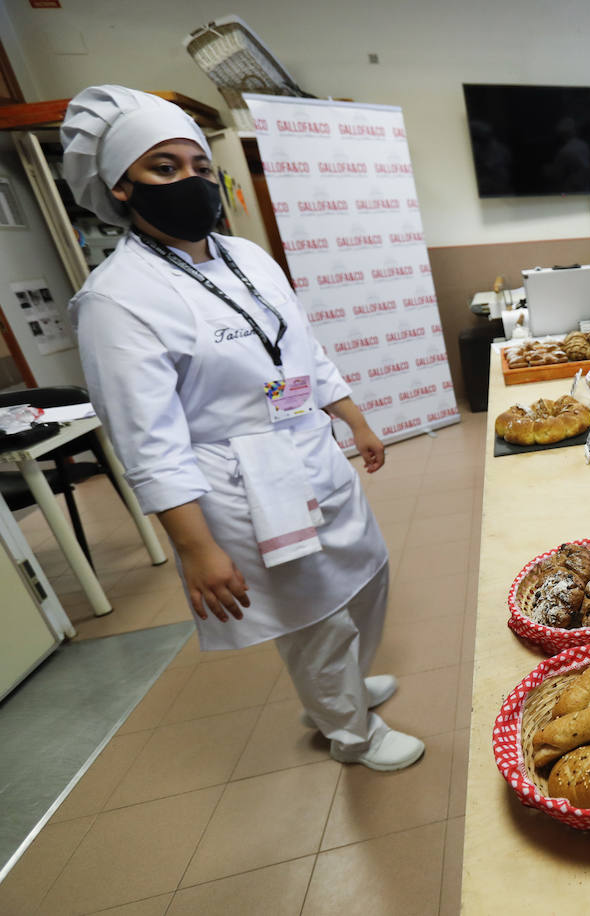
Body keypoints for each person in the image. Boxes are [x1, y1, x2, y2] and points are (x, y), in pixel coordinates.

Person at [61, 86, 425, 772]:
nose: (190, 182)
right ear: (120, 189)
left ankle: (339, 690)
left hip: (310, 451)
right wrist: (196, 547)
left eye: (198, 166)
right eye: (163, 169)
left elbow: (301, 349)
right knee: (311, 615)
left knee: (365, 576)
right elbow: (147, 439)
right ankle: (350, 732)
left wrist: (352, 416)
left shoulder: (247, 257)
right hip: (241, 484)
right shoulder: (116, 300)